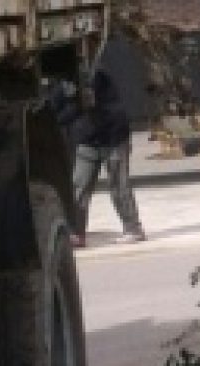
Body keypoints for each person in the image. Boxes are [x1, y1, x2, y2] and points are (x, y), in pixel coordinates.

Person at [52, 69, 145, 247]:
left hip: (113, 137)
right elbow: (57, 106)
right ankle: (77, 233)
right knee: (79, 187)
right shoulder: (62, 83)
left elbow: (77, 107)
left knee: (118, 185)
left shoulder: (93, 76)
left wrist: (58, 120)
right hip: (88, 139)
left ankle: (133, 228)